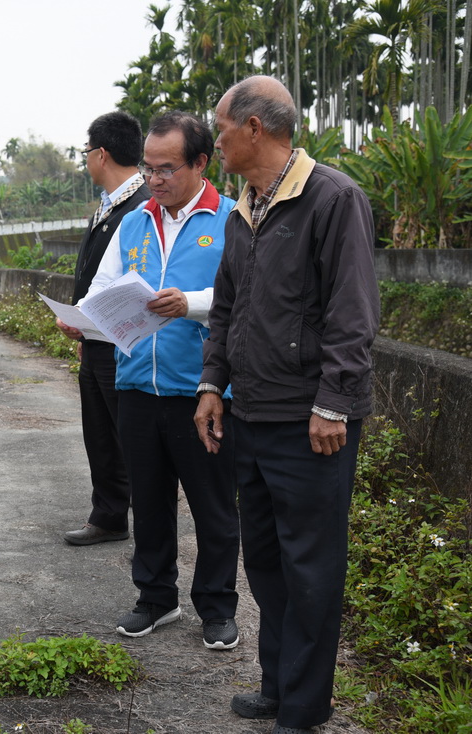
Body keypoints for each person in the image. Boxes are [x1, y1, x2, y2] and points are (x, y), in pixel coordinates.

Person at [196, 76, 380, 733]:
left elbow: (352, 312)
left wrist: (333, 403)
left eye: (219, 129)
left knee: (310, 568)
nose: (214, 141)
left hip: (310, 425)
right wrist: (211, 384)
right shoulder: (244, 207)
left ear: (253, 128)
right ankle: (278, 685)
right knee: (267, 562)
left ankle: (303, 707)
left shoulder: (330, 198)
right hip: (252, 415)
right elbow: (226, 307)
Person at [61, 111, 240, 650]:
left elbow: (241, 300)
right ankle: (155, 598)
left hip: (201, 390)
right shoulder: (135, 220)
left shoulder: (230, 220)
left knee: (211, 504)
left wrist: (191, 305)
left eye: (167, 169)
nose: (156, 179)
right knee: (150, 497)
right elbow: (104, 286)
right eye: (149, 168)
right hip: (136, 383)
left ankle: (217, 606)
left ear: (200, 163)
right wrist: (85, 315)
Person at [58, 111, 150, 546]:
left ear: (101, 154)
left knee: (130, 436)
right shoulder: (109, 204)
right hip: (94, 339)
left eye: (86, 152)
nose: (86, 160)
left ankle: (149, 526)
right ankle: (109, 514)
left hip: (126, 341)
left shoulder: (143, 206)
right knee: (99, 432)